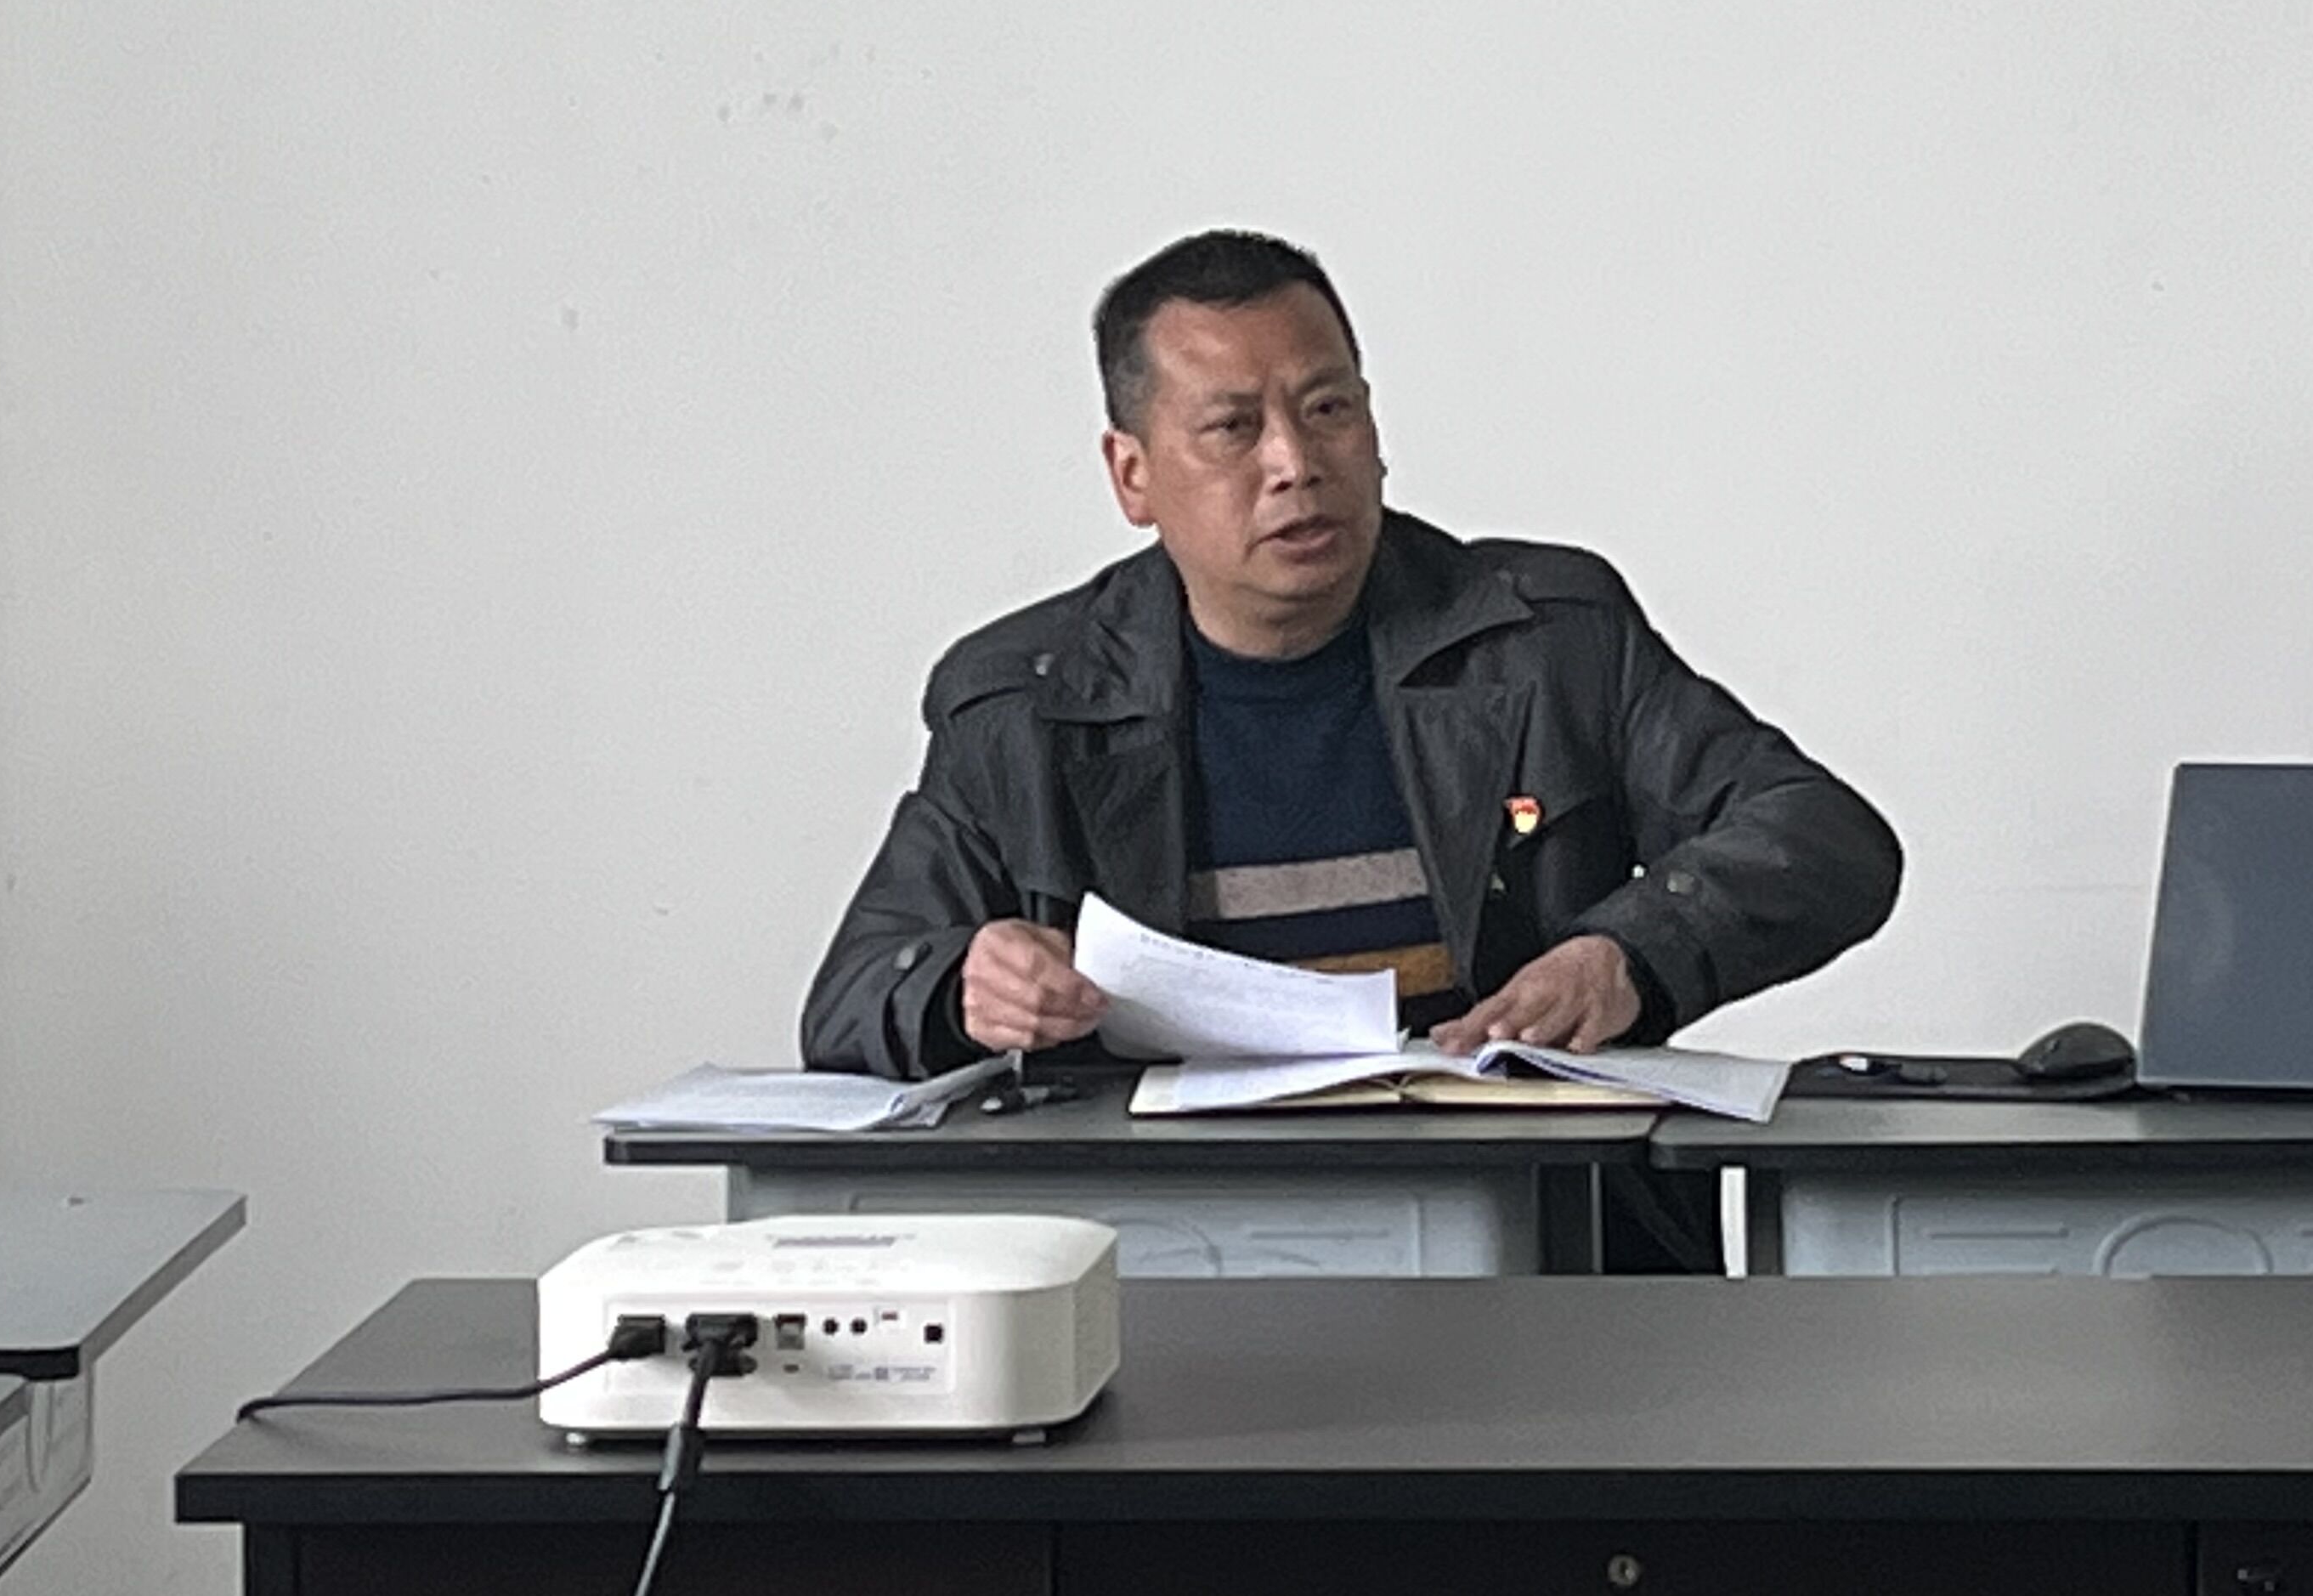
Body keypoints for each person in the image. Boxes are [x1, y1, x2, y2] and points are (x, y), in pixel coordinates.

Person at [800, 228, 1902, 1082]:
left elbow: (1823, 838)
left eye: (1328, 409)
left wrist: (1627, 956)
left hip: (1519, 1216)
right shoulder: (1024, 706)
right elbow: (850, 996)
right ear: (1132, 475)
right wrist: (961, 986)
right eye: (1233, 428)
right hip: (1168, 1236)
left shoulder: (1545, 645)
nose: (1295, 462)